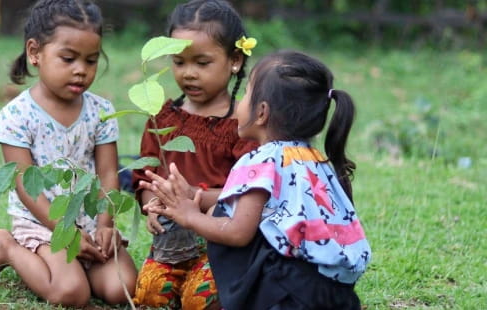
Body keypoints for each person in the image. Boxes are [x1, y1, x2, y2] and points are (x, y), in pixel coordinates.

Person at [142, 50, 372, 310]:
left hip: (289, 295)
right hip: (336, 293)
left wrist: (191, 217)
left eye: (246, 94)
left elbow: (238, 232)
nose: (239, 102)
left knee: (222, 216)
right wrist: (193, 195)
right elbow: (260, 202)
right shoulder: (313, 159)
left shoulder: (261, 159)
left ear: (261, 112)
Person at [0, 0, 137, 307]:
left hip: (89, 221)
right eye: (68, 58)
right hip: (43, 222)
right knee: (71, 294)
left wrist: (105, 225)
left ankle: (70, 264)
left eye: (91, 60)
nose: (81, 70)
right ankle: (6, 247)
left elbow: (108, 172)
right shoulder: (17, 115)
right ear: (35, 52)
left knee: (122, 288)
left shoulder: (101, 111)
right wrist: (65, 232)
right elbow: (25, 185)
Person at [131, 0, 259, 310]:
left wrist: (195, 197)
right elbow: (144, 175)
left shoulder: (242, 126)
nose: (189, 73)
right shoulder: (162, 117)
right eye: (179, 62)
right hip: (171, 240)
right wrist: (153, 205)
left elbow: (250, 193)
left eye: (202, 63)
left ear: (234, 61)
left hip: (221, 240)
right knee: (149, 294)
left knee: (198, 300)